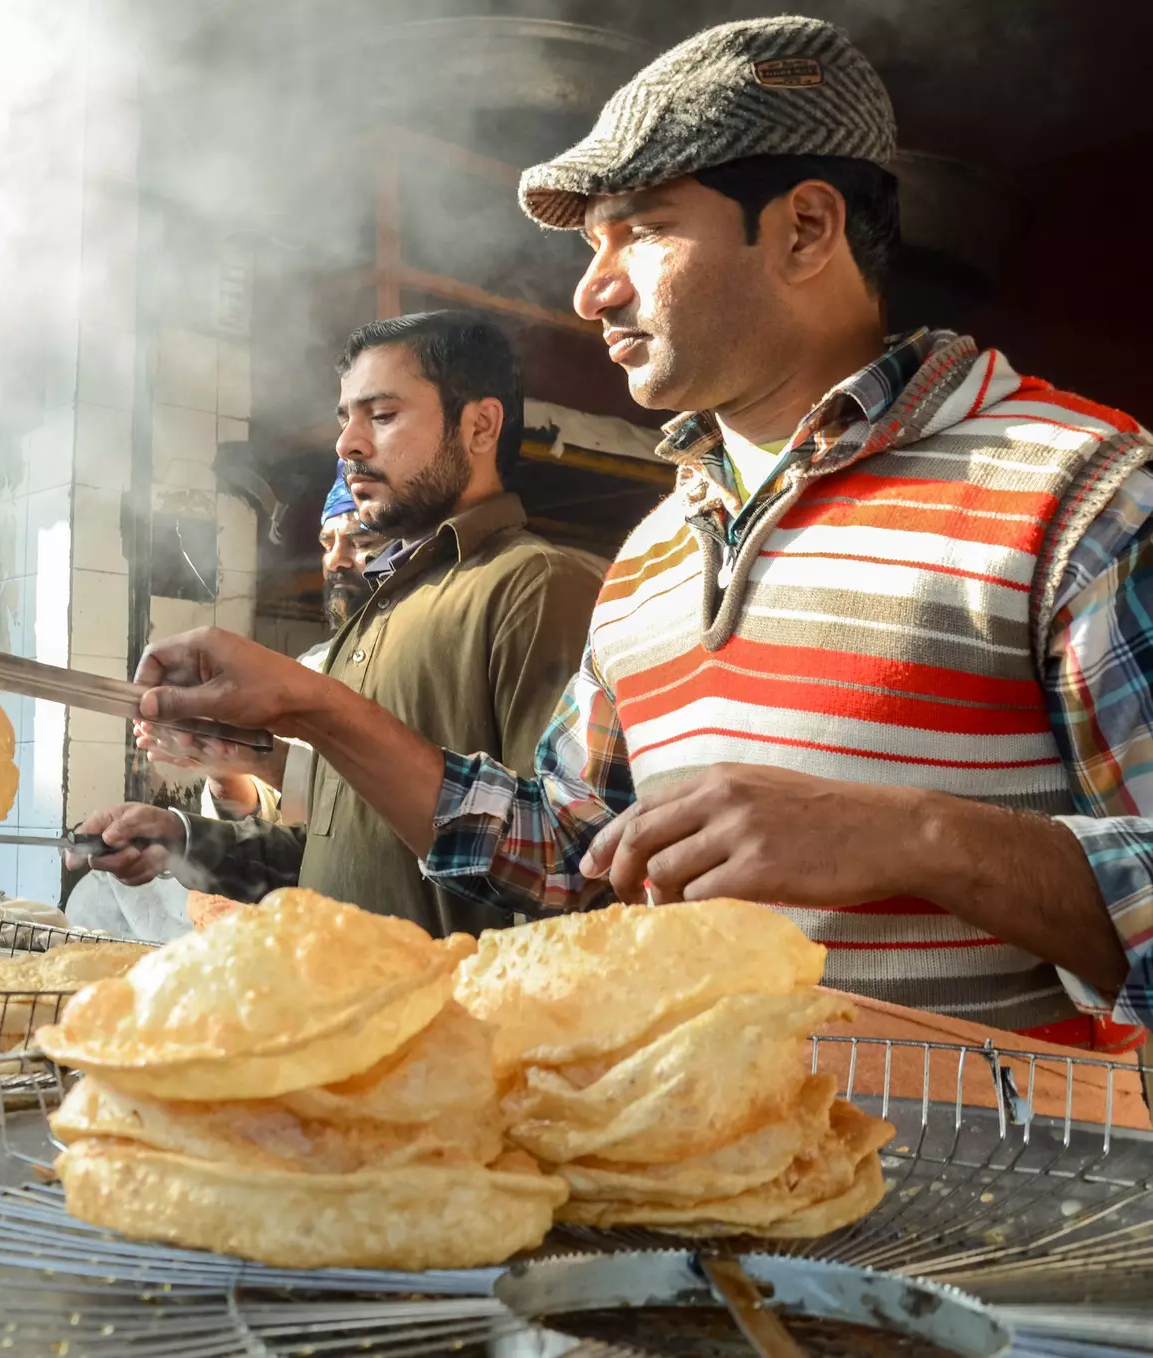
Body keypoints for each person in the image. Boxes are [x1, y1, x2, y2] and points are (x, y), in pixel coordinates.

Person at [125, 17, 1152, 1051]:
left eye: (644, 228)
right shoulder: (656, 554)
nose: (591, 288)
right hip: (694, 1182)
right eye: (589, 245)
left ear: (803, 228)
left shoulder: (1075, 489)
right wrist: (311, 706)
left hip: (991, 1205)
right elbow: (570, 852)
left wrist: (916, 836)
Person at [78, 312, 603, 935]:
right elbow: (340, 863)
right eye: (345, 418)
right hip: (351, 1015)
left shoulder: (533, 586)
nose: (347, 444)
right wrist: (182, 838)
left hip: (456, 1022)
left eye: (381, 416)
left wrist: (309, 706)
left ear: (480, 426)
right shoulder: (379, 612)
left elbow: (568, 869)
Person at [141, 466, 384, 824]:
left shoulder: (418, 663)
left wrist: (265, 760)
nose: (335, 560)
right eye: (326, 544)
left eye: (360, 543)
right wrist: (223, 764)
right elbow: (263, 819)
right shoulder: (311, 667)